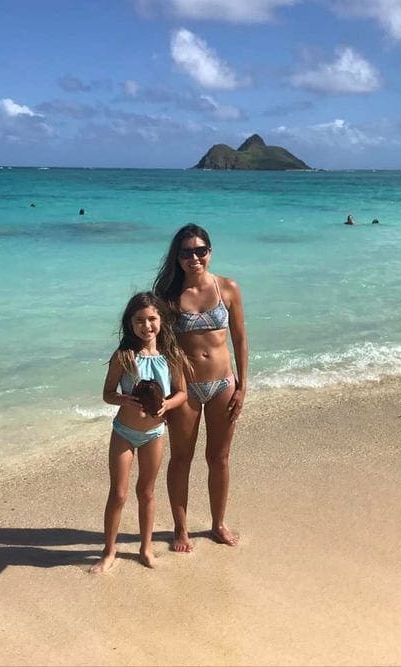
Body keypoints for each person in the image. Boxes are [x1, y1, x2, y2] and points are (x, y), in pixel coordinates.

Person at [154, 224, 248, 552]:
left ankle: (217, 524)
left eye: (200, 251)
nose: (194, 258)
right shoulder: (168, 297)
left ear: (210, 252)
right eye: (186, 252)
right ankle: (180, 529)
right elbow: (158, 346)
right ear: (176, 257)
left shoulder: (228, 288)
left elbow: (239, 339)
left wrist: (243, 385)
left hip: (223, 383)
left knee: (219, 458)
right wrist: (163, 393)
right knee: (181, 458)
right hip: (185, 389)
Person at [90, 292, 187, 573]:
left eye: (152, 319)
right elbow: (107, 394)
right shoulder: (123, 356)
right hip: (124, 431)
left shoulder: (171, 355)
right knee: (118, 494)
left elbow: (182, 392)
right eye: (140, 320)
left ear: (161, 320)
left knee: (146, 492)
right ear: (130, 323)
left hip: (154, 433)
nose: (147, 326)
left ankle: (146, 548)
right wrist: (124, 399)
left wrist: (167, 404)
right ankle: (109, 551)